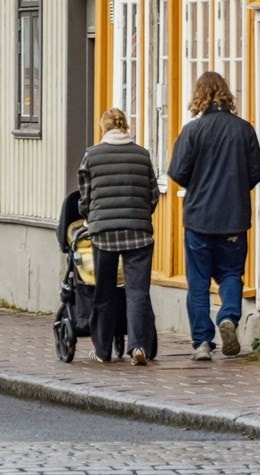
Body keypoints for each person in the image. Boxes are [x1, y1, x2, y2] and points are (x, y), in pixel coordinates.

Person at [167, 71, 260, 361]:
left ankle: (202, 342)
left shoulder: (192, 131)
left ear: (199, 96)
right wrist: (235, 189)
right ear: (226, 95)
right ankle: (228, 318)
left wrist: (199, 186)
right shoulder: (244, 130)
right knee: (231, 273)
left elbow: (178, 173)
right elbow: (256, 172)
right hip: (233, 218)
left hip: (199, 218)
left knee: (198, 282)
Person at [79, 108, 159, 366]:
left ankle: (102, 351)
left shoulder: (91, 156)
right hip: (139, 233)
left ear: (103, 128)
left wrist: (89, 217)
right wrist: (140, 215)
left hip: (104, 233)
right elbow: (153, 195)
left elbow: (85, 197)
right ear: (125, 126)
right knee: (138, 292)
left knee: (104, 292)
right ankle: (138, 347)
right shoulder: (142, 155)